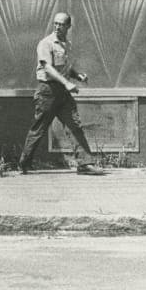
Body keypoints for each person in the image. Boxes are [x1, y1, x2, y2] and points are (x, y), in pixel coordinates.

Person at [18, 12, 103, 175]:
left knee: (75, 126)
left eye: (61, 24)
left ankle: (85, 164)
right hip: (47, 91)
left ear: (68, 27)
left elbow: (64, 67)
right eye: (55, 23)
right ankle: (24, 163)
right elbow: (48, 68)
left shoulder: (66, 44)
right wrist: (67, 83)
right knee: (39, 129)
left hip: (63, 93)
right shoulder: (46, 43)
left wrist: (77, 75)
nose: (57, 27)